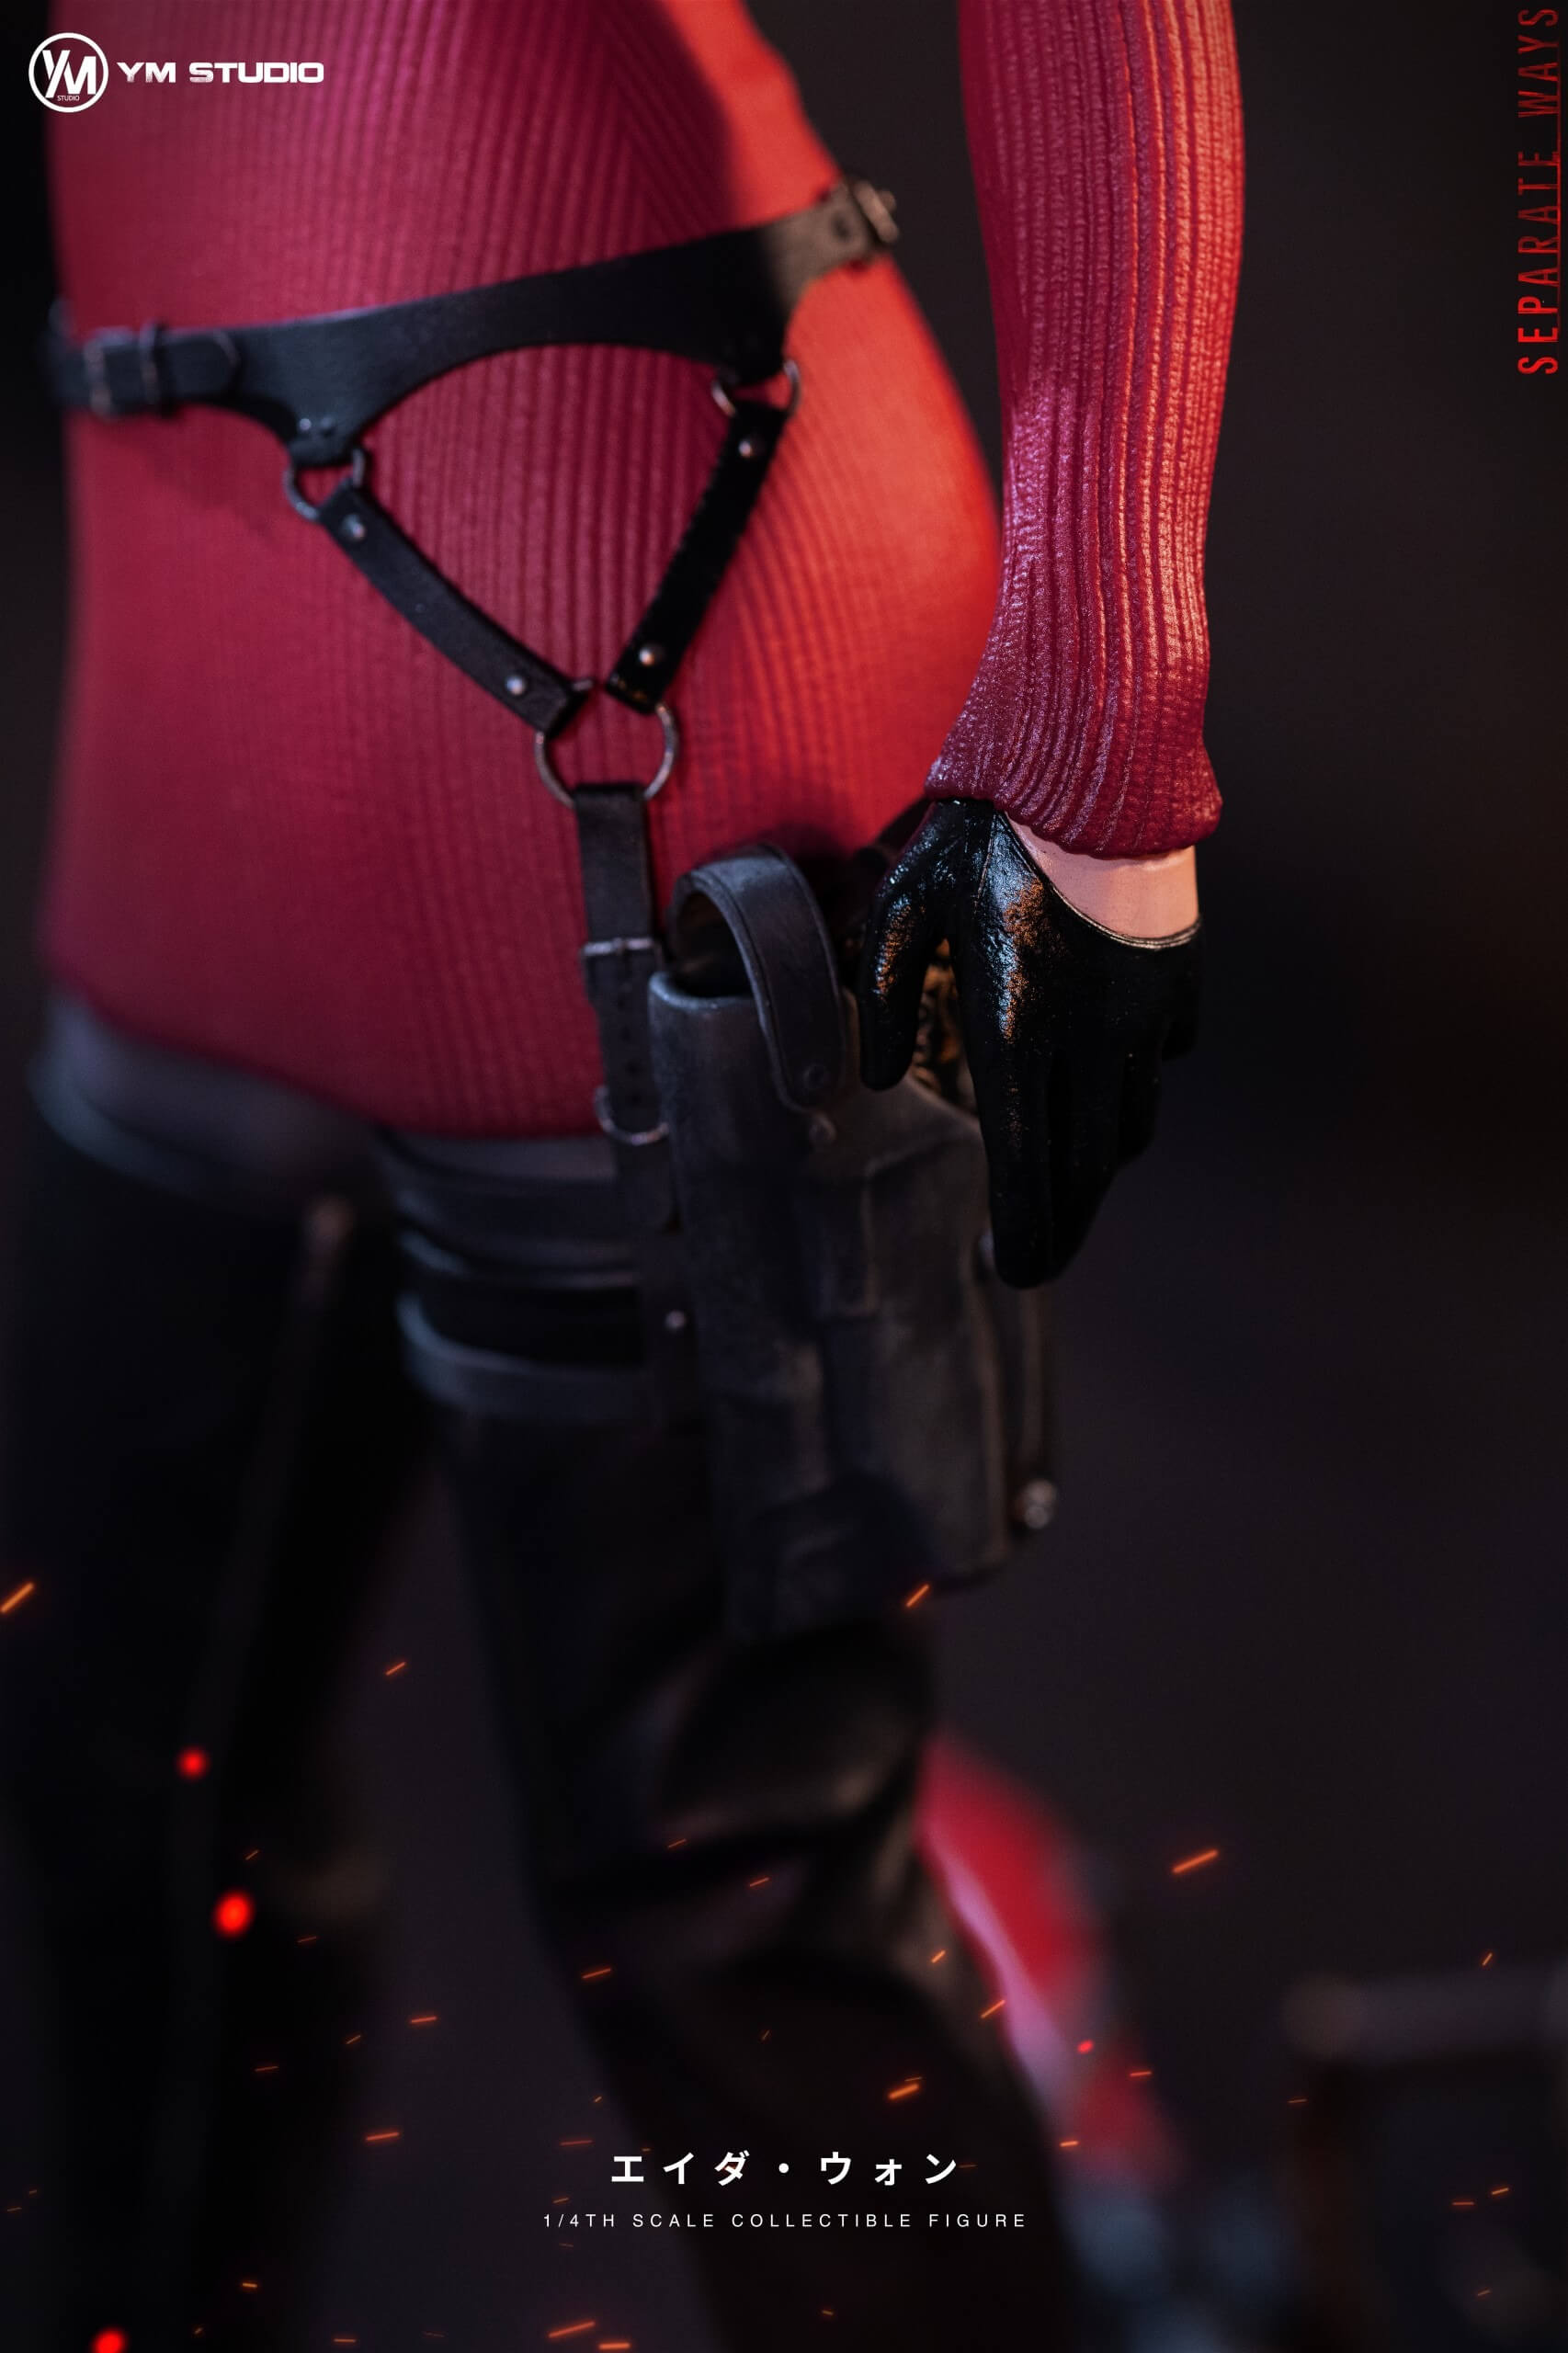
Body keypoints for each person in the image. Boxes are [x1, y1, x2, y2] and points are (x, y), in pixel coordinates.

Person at [2, 2, 1243, 2345]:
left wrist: (1106, 731)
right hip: (183, 741)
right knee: (118, 1786)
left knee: (732, 1901)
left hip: (633, 689)